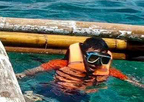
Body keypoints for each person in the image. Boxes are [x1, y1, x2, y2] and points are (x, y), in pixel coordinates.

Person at [16, 37, 144, 94]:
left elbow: (130, 81)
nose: (96, 63)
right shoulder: (62, 64)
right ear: (82, 55)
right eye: (93, 58)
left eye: (103, 59)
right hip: (55, 89)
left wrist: (140, 86)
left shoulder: (109, 71)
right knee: (31, 95)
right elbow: (35, 70)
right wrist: (21, 75)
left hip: (79, 95)